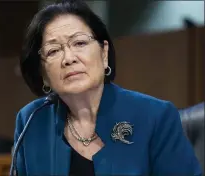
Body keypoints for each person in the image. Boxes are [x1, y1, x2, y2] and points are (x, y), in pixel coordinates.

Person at [14, 0, 202, 175]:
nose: (69, 58)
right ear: (43, 75)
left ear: (104, 54)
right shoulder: (32, 120)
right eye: (53, 51)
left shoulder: (156, 117)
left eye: (79, 43)